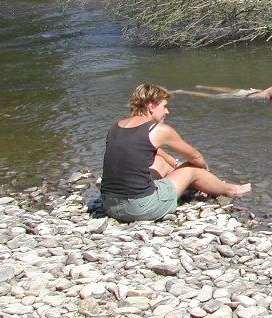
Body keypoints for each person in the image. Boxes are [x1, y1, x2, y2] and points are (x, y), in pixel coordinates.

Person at [101, 84, 251, 222]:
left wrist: (173, 163)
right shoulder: (157, 129)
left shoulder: (116, 127)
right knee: (191, 168)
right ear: (151, 106)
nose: (167, 111)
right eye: (164, 106)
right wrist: (204, 170)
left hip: (110, 205)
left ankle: (197, 184)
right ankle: (229, 189)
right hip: (140, 208)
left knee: (160, 162)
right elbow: (196, 157)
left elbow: (151, 151)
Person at [175, 66, 272, 104]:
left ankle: (203, 85)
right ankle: (184, 91)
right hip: (246, 97)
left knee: (233, 90)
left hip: (255, 91)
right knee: (214, 97)